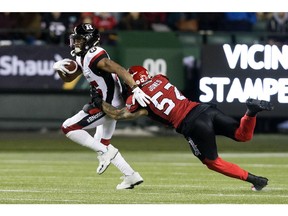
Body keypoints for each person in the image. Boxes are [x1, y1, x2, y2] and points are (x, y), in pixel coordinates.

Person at [95, 65, 274, 191]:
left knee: (213, 162)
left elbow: (119, 114)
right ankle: (250, 113)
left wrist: (99, 103)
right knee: (242, 135)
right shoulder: (160, 78)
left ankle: (255, 180)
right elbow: (150, 107)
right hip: (203, 109)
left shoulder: (136, 99)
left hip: (191, 124)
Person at [53, 24, 151, 189]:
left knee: (68, 127)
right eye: (75, 40)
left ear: (90, 40)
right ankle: (131, 176)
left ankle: (107, 153)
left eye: (80, 40)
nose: (76, 43)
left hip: (107, 105)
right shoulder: (82, 56)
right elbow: (69, 79)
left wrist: (135, 88)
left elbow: (119, 69)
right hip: (107, 102)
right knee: (101, 142)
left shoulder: (94, 54)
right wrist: (59, 69)